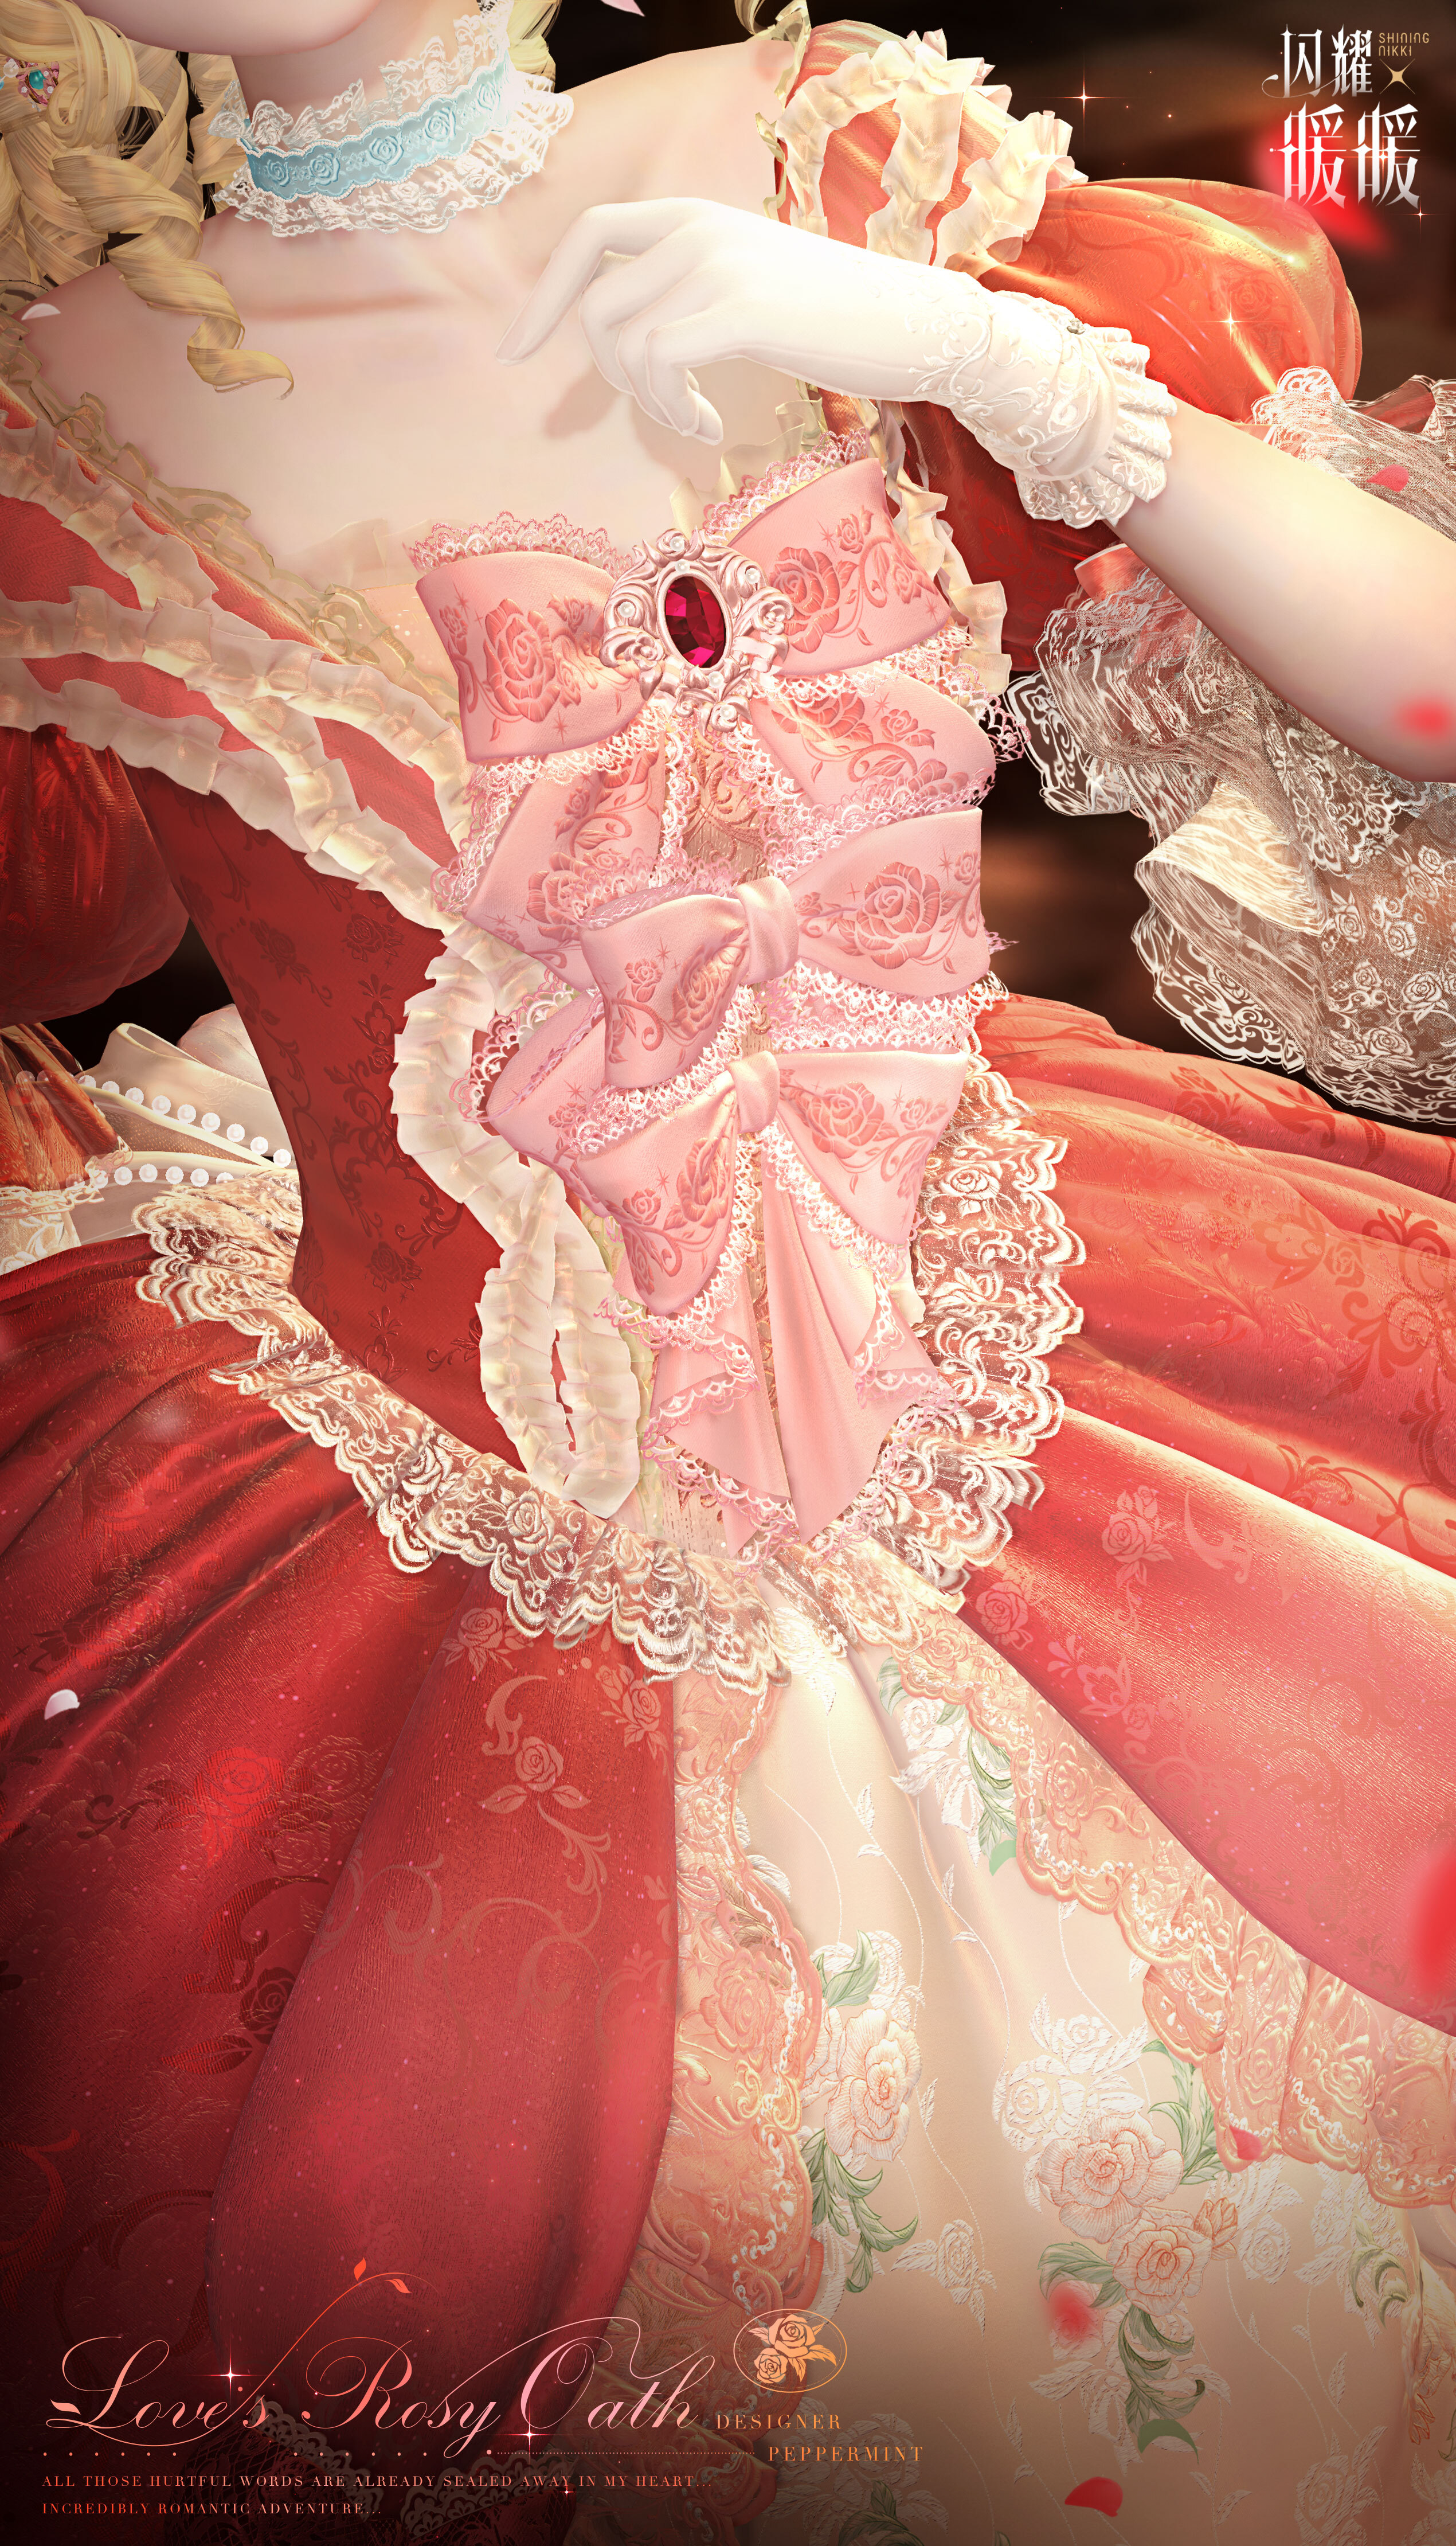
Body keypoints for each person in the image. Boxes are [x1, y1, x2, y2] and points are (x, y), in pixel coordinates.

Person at [3, 3, 1456, 2539]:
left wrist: (983, 357)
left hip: (1092, 1362)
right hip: (412, 1548)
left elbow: (1425, 691)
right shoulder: (51, 416)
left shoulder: (832, 152)